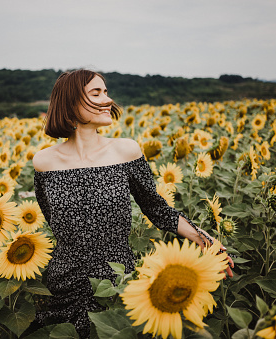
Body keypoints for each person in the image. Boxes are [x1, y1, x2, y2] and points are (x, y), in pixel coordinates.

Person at [32, 69, 234, 338]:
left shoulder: (125, 151)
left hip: (116, 282)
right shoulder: (44, 162)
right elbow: (53, 220)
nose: (107, 99)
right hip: (63, 284)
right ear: (70, 102)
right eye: (96, 93)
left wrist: (204, 238)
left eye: (106, 92)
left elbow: (156, 208)